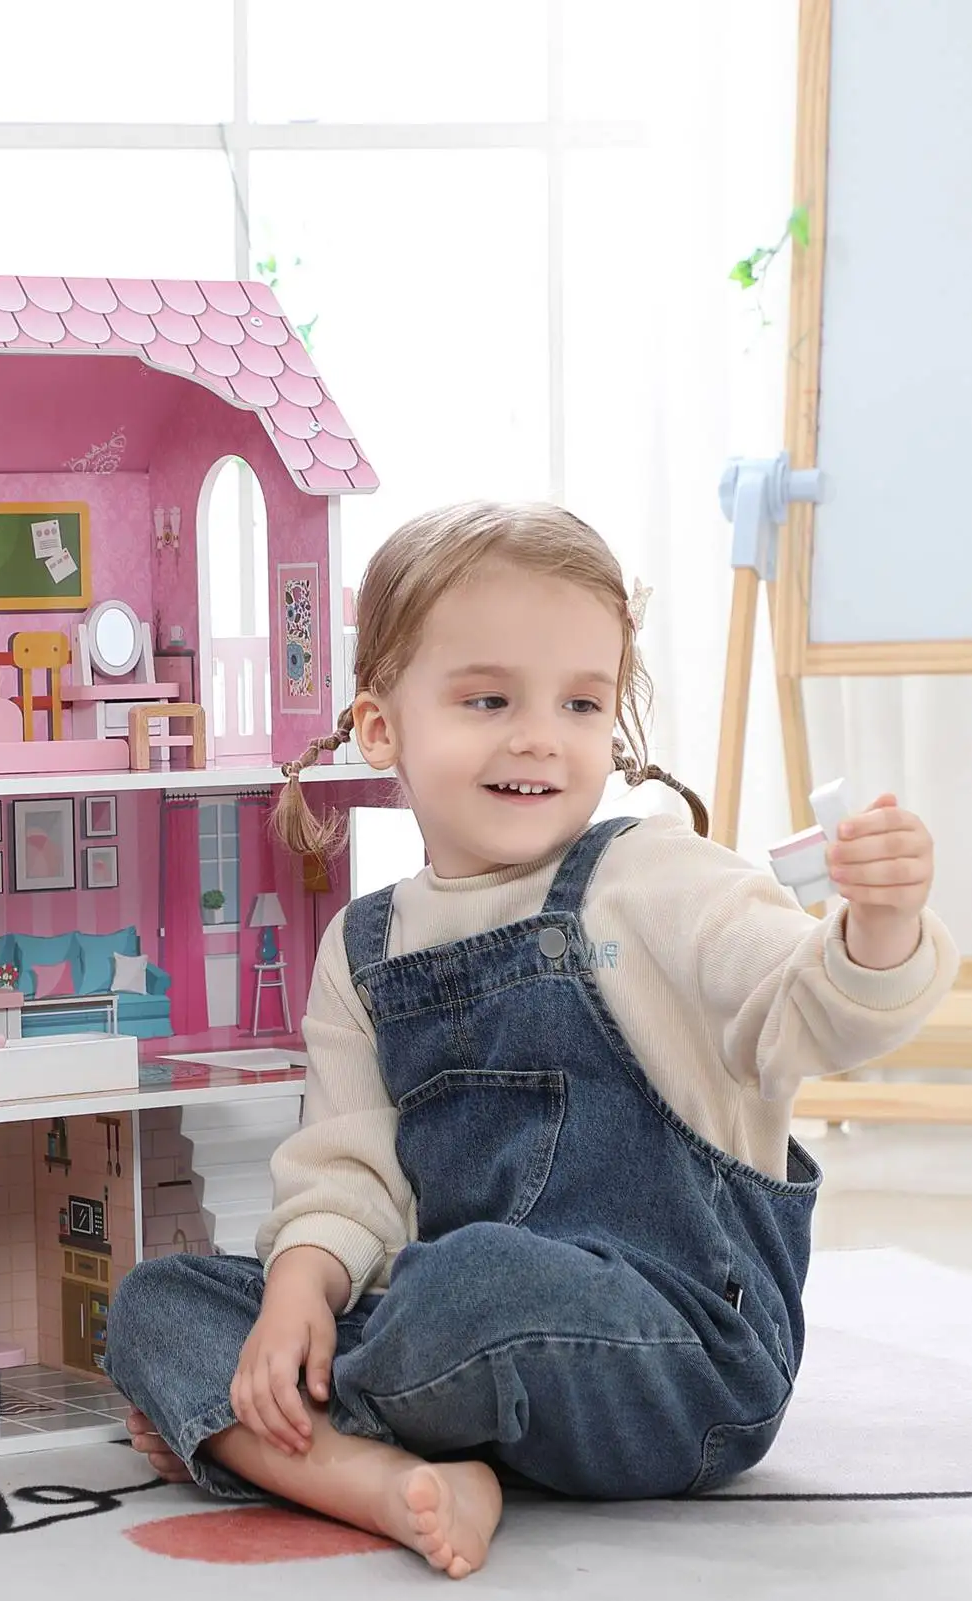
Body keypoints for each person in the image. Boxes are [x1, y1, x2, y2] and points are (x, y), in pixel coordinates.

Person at [102, 502, 958, 1578]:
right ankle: (384, 1476)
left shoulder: (655, 875)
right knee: (155, 1299)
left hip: (671, 1357)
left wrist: (874, 929)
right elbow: (344, 1171)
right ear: (380, 727)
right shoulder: (360, 949)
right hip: (446, 1340)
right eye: (486, 698)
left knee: (466, 1278)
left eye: (579, 701)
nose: (537, 734)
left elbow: (804, 1007)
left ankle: (286, 1438)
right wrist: (292, 1297)